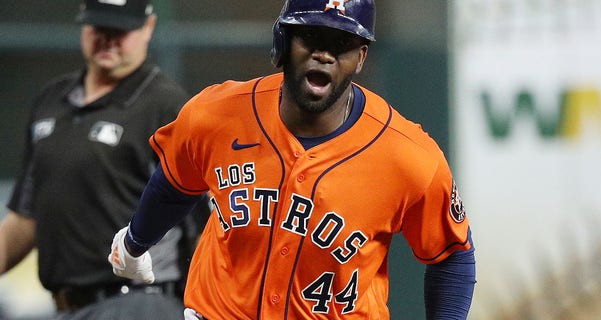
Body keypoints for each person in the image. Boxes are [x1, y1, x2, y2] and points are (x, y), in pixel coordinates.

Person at [108, 0, 476, 319]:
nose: (325, 55)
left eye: (343, 43)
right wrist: (135, 242)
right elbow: (175, 182)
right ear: (283, 41)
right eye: (312, 37)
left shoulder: (407, 155)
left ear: (361, 57)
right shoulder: (216, 114)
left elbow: (452, 255)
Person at [0, 0, 209, 319]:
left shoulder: (167, 106)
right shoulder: (50, 100)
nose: (108, 38)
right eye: (100, 26)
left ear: (148, 27)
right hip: (66, 306)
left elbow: (203, 226)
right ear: (83, 22)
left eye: (121, 29)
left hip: (140, 303)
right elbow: (26, 217)